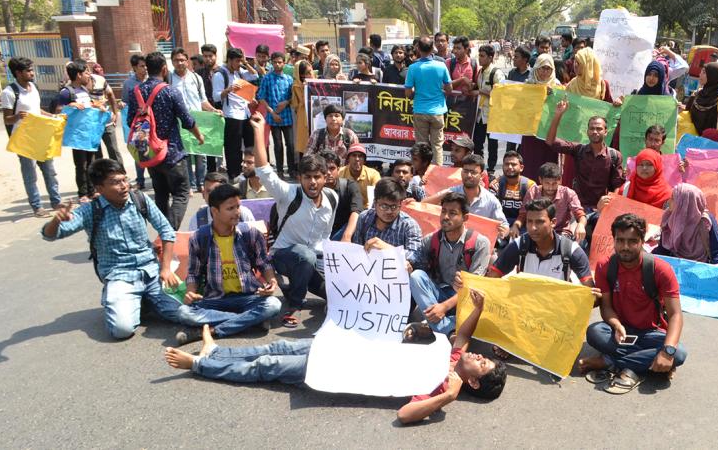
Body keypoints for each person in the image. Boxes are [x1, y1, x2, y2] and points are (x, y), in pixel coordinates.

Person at [163, 288, 505, 425]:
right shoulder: (454, 354)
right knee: (274, 348)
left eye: (483, 362)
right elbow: (463, 334)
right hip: (343, 347)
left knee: (268, 367)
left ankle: (201, 365)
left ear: (473, 380)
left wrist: (446, 396)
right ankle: (217, 352)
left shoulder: (440, 383)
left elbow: (405, 413)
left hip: (336, 369)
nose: (478, 354)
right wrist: (479, 308)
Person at [41, 158, 183, 339]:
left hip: (151, 272)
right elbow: (51, 234)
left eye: (125, 180)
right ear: (99, 189)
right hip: (119, 276)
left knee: (182, 312)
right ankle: (118, 299)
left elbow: (167, 231)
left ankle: (142, 300)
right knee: (122, 330)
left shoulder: (140, 199)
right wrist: (56, 220)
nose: (124, 186)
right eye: (116, 183)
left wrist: (165, 269)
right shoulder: (89, 211)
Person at [579, 213, 686, 394]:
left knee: (679, 352)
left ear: (642, 240)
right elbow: (606, 307)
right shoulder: (606, 265)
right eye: (620, 241)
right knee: (595, 332)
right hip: (621, 332)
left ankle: (609, 362)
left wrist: (667, 351)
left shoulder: (660, 269)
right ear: (613, 240)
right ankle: (643, 363)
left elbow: (676, 315)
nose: (625, 247)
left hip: (651, 332)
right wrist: (616, 324)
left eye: (632, 241)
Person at [251, 113, 338, 328]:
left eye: (317, 176)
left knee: (335, 295)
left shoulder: (332, 199)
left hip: (312, 261)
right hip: (282, 257)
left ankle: (293, 288)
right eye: (307, 177)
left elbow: (325, 238)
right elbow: (263, 170)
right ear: (300, 178)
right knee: (305, 255)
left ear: (325, 178)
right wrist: (258, 129)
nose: (312, 182)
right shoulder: (288, 194)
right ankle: (295, 305)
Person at [174, 184, 282, 344]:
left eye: (238, 206)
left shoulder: (251, 234)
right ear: (215, 211)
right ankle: (250, 320)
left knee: (273, 305)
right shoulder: (199, 238)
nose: (237, 212)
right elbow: (193, 273)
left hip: (249, 297)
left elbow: (264, 264)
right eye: (230, 208)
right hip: (215, 300)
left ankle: (211, 330)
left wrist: (272, 282)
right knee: (183, 312)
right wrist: (190, 293)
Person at [127, 51, 203, 230]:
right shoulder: (170, 91)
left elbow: (131, 121)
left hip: (149, 152)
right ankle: (169, 233)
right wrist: (199, 135)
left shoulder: (136, 92)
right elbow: (186, 120)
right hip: (172, 152)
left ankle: (164, 232)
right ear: (164, 69)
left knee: (160, 193)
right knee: (182, 192)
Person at [409, 192, 491, 334]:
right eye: (443, 211)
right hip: (438, 296)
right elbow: (416, 260)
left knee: (476, 297)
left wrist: (444, 307)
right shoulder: (431, 240)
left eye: (452, 213)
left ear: (465, 218)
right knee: (416, 276)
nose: (445, 217)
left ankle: (440, 326)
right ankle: (449, 330)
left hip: (465, 300)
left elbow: (474, 287)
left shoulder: (480, 243)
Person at [2, 57, 61, 217]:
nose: (32, 73)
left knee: (50, 171)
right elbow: (7, 119)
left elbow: (37, 111)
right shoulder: (9, 92)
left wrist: (54, 117)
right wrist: (18, 116)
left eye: (31, 70)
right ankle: (37, 206)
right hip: (24, 140)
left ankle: (56, 202)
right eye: (28, 71)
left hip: (41, 136)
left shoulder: (33, 87)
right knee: (30, 174)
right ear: (18, 73)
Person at [489, 198, 594, 287]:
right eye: (529, 221)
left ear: (553, 222)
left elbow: (590, 292)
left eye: (539, 222)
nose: (533, 227)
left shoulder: (571, 250)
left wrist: (593, 296)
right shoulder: (519, 245)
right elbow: (491, 278)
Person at [545, 101, 625, 212]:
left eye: (599, 129)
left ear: (606, 132)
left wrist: (608, 206)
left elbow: (618, 185)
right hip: (578, 208)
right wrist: (558, 114)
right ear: (587, 131)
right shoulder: (578, 150)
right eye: (592, 128)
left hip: (601, 209)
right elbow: (550, 141)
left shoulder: (614, 156)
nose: (595, 132)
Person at [169, 47, 221, 192]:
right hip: (178, 123)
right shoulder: (169, 79)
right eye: (176, 60)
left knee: (201, 154)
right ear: (172, 62)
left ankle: (201, 183)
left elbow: (202, 101)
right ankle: (189, 184)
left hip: (198, 121)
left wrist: (213, 110)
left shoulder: (196, 78)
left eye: (182, 60)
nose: (179, 63)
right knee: (184, 155)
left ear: (187, 61)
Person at [57, 59, 103, 201]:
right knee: (81, 165)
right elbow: (58, 110)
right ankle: (82, 193)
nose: (89, 75)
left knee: (91, 163)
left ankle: (92, 190)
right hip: (77, 136)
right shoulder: (66, 92)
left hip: (88, 133)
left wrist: (97, 106)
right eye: (86, 72)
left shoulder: (83, 90)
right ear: (78, 75)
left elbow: (88, 105)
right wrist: (72, 105)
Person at [351, 177, 423, 266]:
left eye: (394, 207)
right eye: (384, 206)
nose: (389, 211)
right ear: (375, 203)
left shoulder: (409, 225)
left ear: (400, 204)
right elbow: (356, 248)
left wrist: (389, 250)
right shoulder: (364, 218)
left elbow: (416, 256)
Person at [212, 47, 259, 180]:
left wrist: (246, 63)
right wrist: (229, 89)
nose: (239, 64)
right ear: (230, 60)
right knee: (233, 148)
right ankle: (234, 175)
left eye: (241, 61)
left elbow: (255, 75)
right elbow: (216, 96)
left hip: (245, 113)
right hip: (232, 115)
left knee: (250, 145)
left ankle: (250, 172)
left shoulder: (240, 73)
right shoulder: (220, 75)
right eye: (237, 61)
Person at [406, 36, 453, 165]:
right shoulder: (441, 66)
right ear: (433, 48)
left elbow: (408, 93)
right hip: (438, 112)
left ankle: (422, 172)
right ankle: (437, 173)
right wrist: (439, 91)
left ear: (418, 49)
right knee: (437, 145)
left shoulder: (413, 68)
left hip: (420, 110)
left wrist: (418, 92)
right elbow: (449, 88)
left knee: (421, 145)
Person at [652, 183, 718, 265]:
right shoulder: (670, 218)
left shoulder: (705, 221)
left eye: (673, 199)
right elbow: (663, 249)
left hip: (701, 268)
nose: (669, 202)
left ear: (685, 203)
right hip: (676, 266)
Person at [512, 162, 586, 240]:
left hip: (561, 233)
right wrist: (515, 226)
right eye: (547, 183)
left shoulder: (568, 193)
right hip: (536, 232)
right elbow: (523, 215)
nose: (550, 187)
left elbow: (580, 214)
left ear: (560, 180)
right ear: (540, 180)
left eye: (554, 183)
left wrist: (581, 225)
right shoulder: (533, 192)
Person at [442, 154, 509, 236]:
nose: (468, 175)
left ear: (481, 175)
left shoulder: (491, 201)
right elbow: (424, 205)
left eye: (473, 172)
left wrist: (504, 231)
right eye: (465, 171)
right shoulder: (451, 193)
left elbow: (504, 226)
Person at [519, 53, 561, 179]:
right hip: (531, 133)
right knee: (530, 164)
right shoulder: (528, 85)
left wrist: (551, 96)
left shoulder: (558, 87)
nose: (545, 72)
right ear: (536, 68)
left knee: (548, 165)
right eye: (542, 68)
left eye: (548, 68)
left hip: (549, 133)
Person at [257, 51, 296, 179]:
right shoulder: (267, 78)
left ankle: (291, 169)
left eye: (280, 62)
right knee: (278, 145)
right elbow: (261, 97)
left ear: (284, 63)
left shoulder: (289, 79)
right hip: (274, 117)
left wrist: (286, 102)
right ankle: (279, 170)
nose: (277, 65)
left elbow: (293, 97)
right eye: (275, 62)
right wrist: (272, 112)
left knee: (290, 144)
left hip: (287, 116)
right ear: (271, 63)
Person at [598, 149, 672, 212]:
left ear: (657, 167)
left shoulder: (667, 194)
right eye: (640, 164)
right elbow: (613, 214)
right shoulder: (626, 189)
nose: (644, 168)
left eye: (649, 164)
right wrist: (601, 208)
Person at [472, 44, 506, 173]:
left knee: (492, 144)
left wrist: (481, 92)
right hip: (480, 114)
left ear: (490, 57)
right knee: (478, 143)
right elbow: (477, 87)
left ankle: (491, 170)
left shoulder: (496, 73)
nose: (480, 59)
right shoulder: (480, 72)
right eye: (479, 56)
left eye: (482, 56)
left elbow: (501, 94)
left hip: (492, 115)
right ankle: (479, 168)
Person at [317, 149, 362, 241]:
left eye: (332, 168)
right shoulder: (313, 188)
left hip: (342, 232)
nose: (328, 172)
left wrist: (347, 236)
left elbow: (356, 212)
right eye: (324, 169)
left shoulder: (349, 186)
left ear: (338, 169)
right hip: (318, 233)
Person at [187, 172, 255, 231]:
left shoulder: (244, 215)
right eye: (209, 191)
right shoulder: (197, 220)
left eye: (217, 191)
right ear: (203, 194)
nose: (212, 195)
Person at [87, 64, 123, 166]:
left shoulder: (100, 80)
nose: (86, 73)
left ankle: (121, 174)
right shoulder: (77, 86)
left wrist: (115, 113)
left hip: (106, 121)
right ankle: (102, 178)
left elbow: (111, 95)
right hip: (91, 124)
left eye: (87, 71)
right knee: (97, 153)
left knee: (113, 149)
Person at [123, 54, 149, 187]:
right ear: (134, 68)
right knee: (139, 150)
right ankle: (140, 180)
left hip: (152, 121)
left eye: (146, 66)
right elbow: (126, 102)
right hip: (138, 122)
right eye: (141, 66)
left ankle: (155, 178)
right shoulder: (128, 84)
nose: (145, 68)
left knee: (152, 149)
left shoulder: (151, 80)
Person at [488, 151, 534, 227]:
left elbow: (533, 213)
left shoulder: (530, 186)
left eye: (513, 164)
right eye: (506, 164)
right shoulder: (495, 185)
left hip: (524, 227)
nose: (509, 167)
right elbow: (490, 211)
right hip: (500, 225)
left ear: (521, 168)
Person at [196, 44, 223, 172]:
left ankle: (228, 169)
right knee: (209, 144)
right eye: (205, 56)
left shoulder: (223, 71)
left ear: (215, 56)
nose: (208, 59)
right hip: (206, 112)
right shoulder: (198, 74)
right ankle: (212, 172)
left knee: (226, 142)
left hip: (222, 110)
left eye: (210, 56)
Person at [686, 62, 718, 132]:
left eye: (704, 72)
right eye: (701, 71)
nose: (700, 74)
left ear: (714, 76)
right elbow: (687, 114)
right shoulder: (696, 95)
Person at [292, 60, 314, 157]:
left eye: (311, 71)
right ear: (301, 75)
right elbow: (296, 104)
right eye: (307, 73)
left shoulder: (319, 83)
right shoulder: (296, 86)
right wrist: (305, 89)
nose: (311, 74)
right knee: (304, 142)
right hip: (303, 116)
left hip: (315, 115)